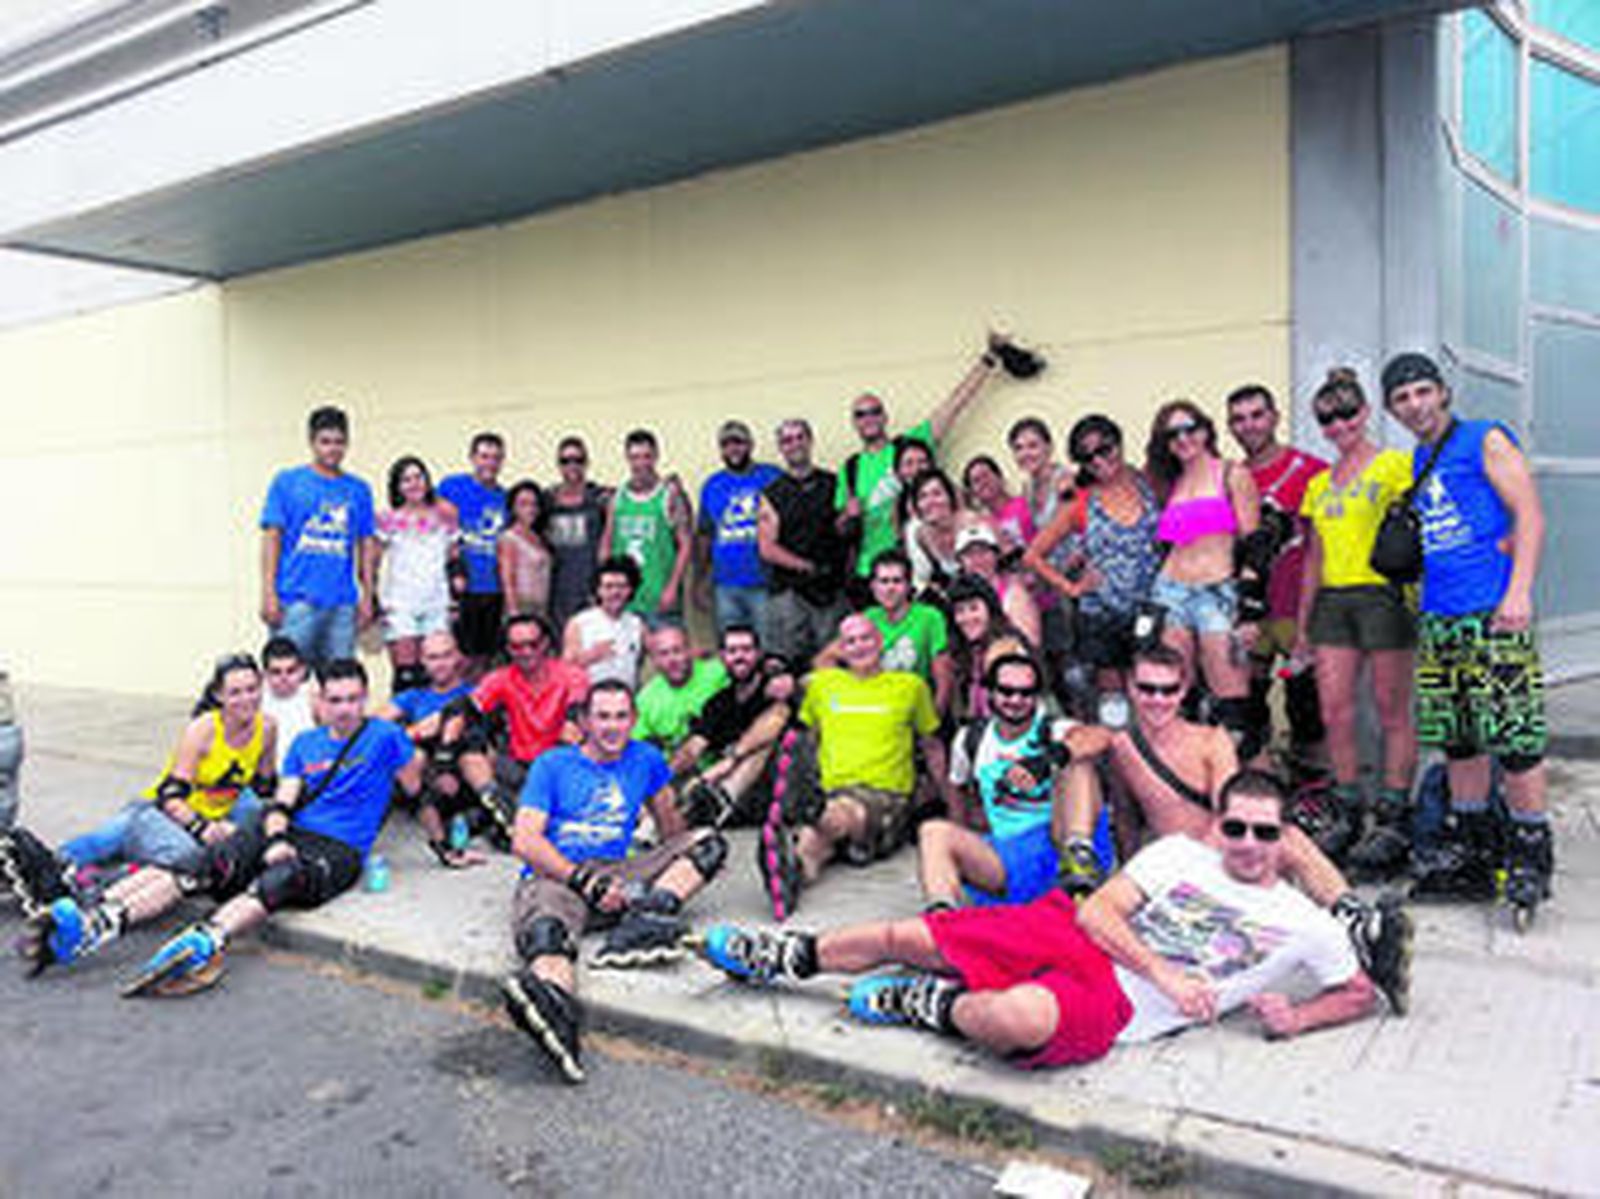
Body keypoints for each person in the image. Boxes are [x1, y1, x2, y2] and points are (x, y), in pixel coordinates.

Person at [699, 770, 1376, 1069]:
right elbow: (1098, 910)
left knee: (1013, 1021)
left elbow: (1357, 992)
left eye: (1265, 831)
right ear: (1218, 825)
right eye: (1236, 827)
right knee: (909, 935)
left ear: (1286, 835)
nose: (1249, 844)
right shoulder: (1178, 855)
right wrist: (1167, 973)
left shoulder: (1306, 922)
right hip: (1075, 933)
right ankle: (785, 955)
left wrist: (1298, 1018)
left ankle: (929, 1003)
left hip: (1116, 1004)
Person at [19, 659, 424, 996]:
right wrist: (275, 837)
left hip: (339, 848)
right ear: (320, 701)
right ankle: (97, 924)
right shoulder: (305, 744)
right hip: (279, 829)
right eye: (335, 700)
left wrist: (441, 841)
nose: (345, 709)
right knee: (203, 863)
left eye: (353, 699)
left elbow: (415, 789)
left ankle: (206, 940)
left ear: (366, 698)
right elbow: (281, 801)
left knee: (282, 879)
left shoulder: (386, 736)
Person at [1105, 646, 1411, 1013]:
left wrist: (1204, 863)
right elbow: (1125, 817)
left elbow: (1231, 813)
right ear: (1130, 687)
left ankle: (1357, 923)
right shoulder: (1121, 747)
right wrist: (1131, 887)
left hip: (1220, 854)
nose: (1158, 700)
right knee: (1284, 841)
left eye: (1168, 690)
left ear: (1183, 690)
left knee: (1286, 837)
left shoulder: (1211, 740)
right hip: (1171, 869)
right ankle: (1360, 930)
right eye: (1147, 689)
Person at [1381, 352, 1552, 916]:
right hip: (1441, 615)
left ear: (1443, 392)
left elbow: (1530, 514)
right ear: (1393, 410)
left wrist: (1519, 591)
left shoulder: (1485, 438)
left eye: (1422, 391)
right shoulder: (1419, 458)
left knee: (1516, 740)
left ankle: (1530, 856)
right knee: (1460, 741)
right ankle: (1474, 853)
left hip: (1494, 612)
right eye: (1402, 398)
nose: (1414, 405)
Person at [500, 681, 728, 1083]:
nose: (612, 726)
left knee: (708, 843)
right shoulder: (552, 764)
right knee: (548, 936)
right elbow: (525, 841)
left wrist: (689, 827)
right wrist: (585, 883)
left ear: (633, 720)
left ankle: (645, 922)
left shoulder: (647, 759)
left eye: (621, 716)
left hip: (619, 873)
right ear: (585, 721)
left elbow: (671, 831)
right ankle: (555, 1011)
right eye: (602, 716)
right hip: (559, 876)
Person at [1, 655, 277, 911]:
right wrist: (203, 828)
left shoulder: (267, 728)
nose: (246, 699)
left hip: (200, 815)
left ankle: (80, 874)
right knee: (90, 849)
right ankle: (24, 870)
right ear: (219, 696)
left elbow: (264, 788)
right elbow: (171, 796)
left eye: (252, 689)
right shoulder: (203, 729)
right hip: (158, 811)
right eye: (235, 692)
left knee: (210, 846)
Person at [1295, 369, 1417, 873]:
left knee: (1391, 711)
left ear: (1365, 412)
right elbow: (1313, 558)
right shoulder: (1319, 483)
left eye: (1347, 413)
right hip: (1334, 600)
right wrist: (1303, 626)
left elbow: (1420, 530)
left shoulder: (1395, 466)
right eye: (1328, 419)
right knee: (1335, 712)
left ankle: (1393, 813)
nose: (1339, 425)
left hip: (1382, 594)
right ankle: (1347, 809)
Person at [760, 614, 945, 920]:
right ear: (840, 649)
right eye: (850, 642)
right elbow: (809, 736)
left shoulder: (910, 686)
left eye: (866, 638)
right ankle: (794, 873)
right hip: (833, 791)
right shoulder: (823, 685)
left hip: (886, 800)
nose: (859, 647)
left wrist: (951, 808)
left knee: (841, 812)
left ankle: (810, 814)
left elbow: (932, 747)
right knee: (813, 838)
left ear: (880, 642)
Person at [919, 652, 1114, 911]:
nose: (1016, 700)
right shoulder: (970, 740)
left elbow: (1101, 737)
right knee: (933, 831)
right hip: (1008, 860)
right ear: (990, 692)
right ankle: (943, 916)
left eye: (1026, 693)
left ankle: (1078, 860)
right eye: (1006, 691)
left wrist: (1050, 759)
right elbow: (957, 794)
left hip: (1058, 847)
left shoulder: (1053, 730)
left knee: (1077, 760)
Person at [837, 336, 1008, 586]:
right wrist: (848, 516)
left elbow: (953, 406)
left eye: (875, 411)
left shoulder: (909, 446)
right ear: (854, 422)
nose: (869, 418)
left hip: (923, 564)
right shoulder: (850, 468)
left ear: (885, 416)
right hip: (873, 571)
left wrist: (987, 361)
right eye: (861, 414)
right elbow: (841, 527)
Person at [1145, 400, 1264, 756]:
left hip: (1217, 593)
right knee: (1176, 697)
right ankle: (1192, 777)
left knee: (1234, 709)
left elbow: (1255, 546)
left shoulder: (1231, 474)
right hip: (1170, 595)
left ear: (1206, 430)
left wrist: (1251, 610)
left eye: (1190, 428)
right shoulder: (1169, 483)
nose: (1183, 438)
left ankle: (1246, 785)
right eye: (1172, 434)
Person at [1023, 415, 1161, 718]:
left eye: (1105, 449)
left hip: (1150, 610)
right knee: (1115, 705)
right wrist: (1071, 588)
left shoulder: (1147, 483)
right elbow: (1032, 556)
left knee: (1154, 692)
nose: (1098, 460)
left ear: (1119, 444)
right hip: (1102, 616)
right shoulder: (1081, 503)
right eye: (1087, 457)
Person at [1226, 384, 1329, 772]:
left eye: (1257, 415)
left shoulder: (1313, 471)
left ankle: (1313, 788)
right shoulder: (1230, 478)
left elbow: (1328, 546)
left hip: (1300, 608)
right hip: (1250, 613)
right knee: (1248, 706)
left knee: (1307, 706)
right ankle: (1262, 783)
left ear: (1275, 417)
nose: (1249, 425)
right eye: (1239, 419)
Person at [258, 405, 378, 667]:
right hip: (296, 601)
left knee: (340, 679)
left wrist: (368, 596)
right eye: (325, 442)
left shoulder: (359, 489)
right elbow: (271, 537)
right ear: (311, 442)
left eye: (339, 442)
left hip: (342, 604)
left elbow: (366, 544)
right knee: (289, 677)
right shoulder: (287, 482)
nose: (332, 449)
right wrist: (268, 593)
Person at [459, 613, 590, 843]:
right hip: (516, 764)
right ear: (508, 649)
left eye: (533, 644)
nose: (526, 652)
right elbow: (467, 708)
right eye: (517, 646)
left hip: (558, 765)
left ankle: (522, 819)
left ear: (546, 643)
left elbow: (576, 718)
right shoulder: (500, 678)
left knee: (573, 733)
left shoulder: (572, 675)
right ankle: (505, 815)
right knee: (469, 754)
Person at [668, 624, 796, 828]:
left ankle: (722, 798)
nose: (739, 657)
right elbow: (695, 746)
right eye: (732, 651)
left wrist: (731, 758)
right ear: (722, 657)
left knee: (763, 744)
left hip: (780, 788)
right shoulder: (718, 703)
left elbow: (779, 717)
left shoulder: (775, 689)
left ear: (758, 654)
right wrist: (663, 778)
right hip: (734, 794)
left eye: (746, 650)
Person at [374, 631, 484, 867]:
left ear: (458, 657)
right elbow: (372, 727)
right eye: (433, 657)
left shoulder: (475, 693)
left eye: (446, 655)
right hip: (426, 778)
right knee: (411, 755)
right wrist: (413, 732)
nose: (440, 664)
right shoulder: (413, 697)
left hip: (465, 773)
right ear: (422, 661)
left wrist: (435, 724)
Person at [757, 418, 848, 666]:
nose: (795, 444)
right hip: (790, 594)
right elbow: (767, 548)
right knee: (789, 665)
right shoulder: (772, 494)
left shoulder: (834, 483)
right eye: (787, 440)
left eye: (800, 437)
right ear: (781, 447)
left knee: (833, 664)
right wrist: (806, 566)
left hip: (832, 590)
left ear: (810, 441)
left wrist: (849, 517)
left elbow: (846, 530)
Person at [375, 455, 460, 691]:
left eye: (418, 477)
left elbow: (454, 557)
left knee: (437, 672)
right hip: (401, 601)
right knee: (406, 675)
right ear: (397, 487)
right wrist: (372, 598)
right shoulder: (387, 518)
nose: (414, 484)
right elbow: (373, 560)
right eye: (406, 480)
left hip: (436, 600)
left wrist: (456, 598)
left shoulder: (445, 515)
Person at [695, 420, 781, 635]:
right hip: (725, 584)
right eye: (726, 444)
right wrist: (700, 579)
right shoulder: (712, 485)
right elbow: (705, 535)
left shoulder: (772, 476)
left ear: (750, 444)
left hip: (766, 582)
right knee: (731, 645)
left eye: (738, 442)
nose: (733, 449)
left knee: (769, 645)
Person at [601, 429, 693, 627]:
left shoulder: (669, 495)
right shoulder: (618, 498)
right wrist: (604, 587)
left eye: (646, 456)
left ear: (656, 457)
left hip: (659, 598)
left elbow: (685, 545)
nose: (641, 463)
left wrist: (672, 587)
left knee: (667, 645)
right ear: (627, 459)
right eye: (635, 457)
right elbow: (606, 542)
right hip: (625, 600)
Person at [438, 432, 509, 677]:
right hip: (462, 590)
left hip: (494, 589)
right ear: (472, 458)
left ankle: (477, 701)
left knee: (485, 660)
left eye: (496, 458)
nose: (490, 463)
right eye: (484, 456)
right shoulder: (452, 487)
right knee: (457, 659)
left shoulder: (505, 498)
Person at [543, 436, 612, 633]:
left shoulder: (600, 498)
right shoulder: (546, 500)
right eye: (566, 461)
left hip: (590, 589)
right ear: (558, 465)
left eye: (578, 460)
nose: (572, 466)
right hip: (556, 593)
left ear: (587, 463)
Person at [633, 625, 728, 759]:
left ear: (690, 651)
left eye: (677, 651)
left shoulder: (720, 674)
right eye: (664, 654)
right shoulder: (645, 700)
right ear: (654, 660)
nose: (672, 660)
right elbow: (637, 749)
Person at [945, 574, 1030, 721]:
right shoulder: (965, 652)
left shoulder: (1008, 648)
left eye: (974, 608)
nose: (967, 618)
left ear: (989, 609)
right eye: (959, 611)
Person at [952, 521, 1040, 650]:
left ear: (996, 555)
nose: (978, 560)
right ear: (960, 561)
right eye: (969, 555)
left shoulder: (1014, 594)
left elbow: (1031, 642)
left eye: (983, 552)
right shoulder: (956, 595)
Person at [563, 556, 647, 689]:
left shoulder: (637, 624)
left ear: (631, 590)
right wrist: (591, 655)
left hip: (626, 695)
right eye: (608, 586)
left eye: (622, 586)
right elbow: (565, 668)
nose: (615, 592)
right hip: (589, 695)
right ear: (598, 590)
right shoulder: (579, 622)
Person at [901, 468, 967, 598]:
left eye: (937, 494)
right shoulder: (919, 534)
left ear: (950, 497)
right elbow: (921, 581)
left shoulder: (971, 524)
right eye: (923, 497)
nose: (930, 502)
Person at [260, 636, 317, 770]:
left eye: (291, 671)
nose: (284, 678)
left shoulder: (315, 698)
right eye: (276, 672)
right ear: (264, 674)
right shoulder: (255, 700)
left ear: (302, 671)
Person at [498, 480, 553, 620]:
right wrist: (513, 612)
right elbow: (507, 578)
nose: (530, 509)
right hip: (521, 605)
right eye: (523, 504)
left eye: (534, 504)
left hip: (541, 606)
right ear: (513, 508)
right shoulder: (509, 538)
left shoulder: (539, 538)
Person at [961, 454, 1033, 554]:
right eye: (976, 481)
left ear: (999, 477)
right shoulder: (982, 527)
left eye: (986, 475)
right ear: (973, 493)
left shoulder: (1027, 503)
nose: (983, 482)